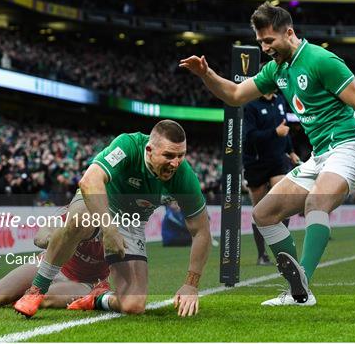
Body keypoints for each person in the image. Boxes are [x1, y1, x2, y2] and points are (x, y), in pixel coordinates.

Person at [179, 1, 355, 306]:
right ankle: (297, 288)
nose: (265, 47)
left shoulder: (321, 60)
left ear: (290, 33)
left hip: (348, 148)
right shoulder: (276, 70)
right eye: (260, 42)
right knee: (263, 214)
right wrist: (206, 74)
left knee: (315, 202)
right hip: (319, 156)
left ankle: (303, 290)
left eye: (269, 41)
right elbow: (234, 95)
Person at [14, 120, 211, 318]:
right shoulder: (128, 146)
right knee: (81, 219)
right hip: (99, 202)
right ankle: (37, 289)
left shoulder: (184, 176)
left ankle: (98, 297)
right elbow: (89, 181)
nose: (175, 163)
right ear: (149, 150)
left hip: (132, 221)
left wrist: (191, 285)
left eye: (181, 156)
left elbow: (201, 231)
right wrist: (109, 228)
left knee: (134, 305)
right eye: (169, 155)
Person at [243, 92, 300, 266]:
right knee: (259, 211)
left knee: (284, 204)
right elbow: (250, 136)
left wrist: (290, 151)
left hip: (278, 161)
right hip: (256, 162)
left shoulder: (281, 100)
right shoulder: (251, 105)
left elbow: (285, 130)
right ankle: (262, 255)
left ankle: (281, 251)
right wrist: (275, 132)